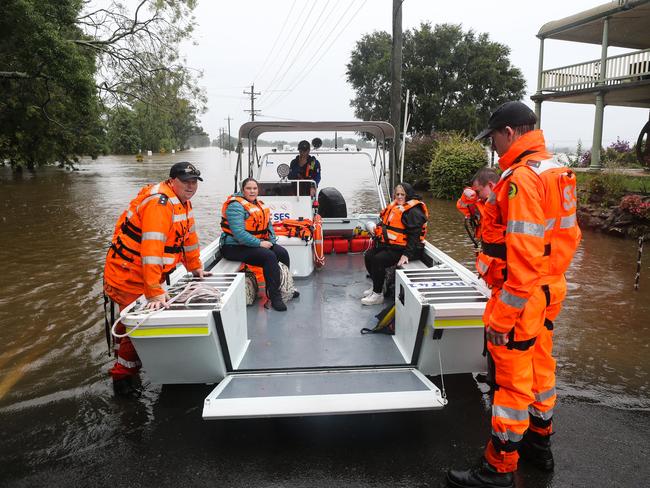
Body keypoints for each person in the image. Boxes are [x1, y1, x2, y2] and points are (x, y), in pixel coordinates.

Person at [446, 102, 581, 488]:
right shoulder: (557, 171)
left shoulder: (522, 179)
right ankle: (540, 447)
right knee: (541, 371)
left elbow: (523, 253)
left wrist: (503, 315)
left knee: (511, 382)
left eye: (494, 139)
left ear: (508, 132)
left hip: (519, 295)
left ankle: (499, 466)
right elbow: (568, 237)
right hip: (549, 287)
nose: (495, 148)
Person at [104, 161, 210, 396]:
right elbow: (151, 251)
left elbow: (190, 238)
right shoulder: (159, 203)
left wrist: (195, 267)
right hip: (128, 274)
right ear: (172, 181)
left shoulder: (182, 202)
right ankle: (122, 379)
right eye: (186, 181)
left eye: (194, 182)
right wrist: (154, 291)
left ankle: (123, 363)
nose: (191, 186)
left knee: (128, 324)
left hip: (141, 274)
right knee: (138, 324)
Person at [220, 177, 292, 311]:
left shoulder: (259, 204)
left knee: (282, 253)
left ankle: (285, 287)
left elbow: (269, 226)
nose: (252, 191)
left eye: (255, 188)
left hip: (252, 244)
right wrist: (260, 243)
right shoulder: (235, 206)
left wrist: (270, 241)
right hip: (233, 247)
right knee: (269, 256)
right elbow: (239, 234)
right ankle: (274, 296)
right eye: (248, 188)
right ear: (242, 190)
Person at [362, 182, 428, 306]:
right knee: (369, 255)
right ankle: (377, 287)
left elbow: (414, 236)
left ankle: (377, 295)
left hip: (408, 250)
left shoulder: (413, 211)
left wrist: (407, 255)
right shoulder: (396, 207)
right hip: (393, 247)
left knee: (378, 260)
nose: (399, 197)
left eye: (402, 194)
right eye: (397, 194)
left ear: (408, 195)